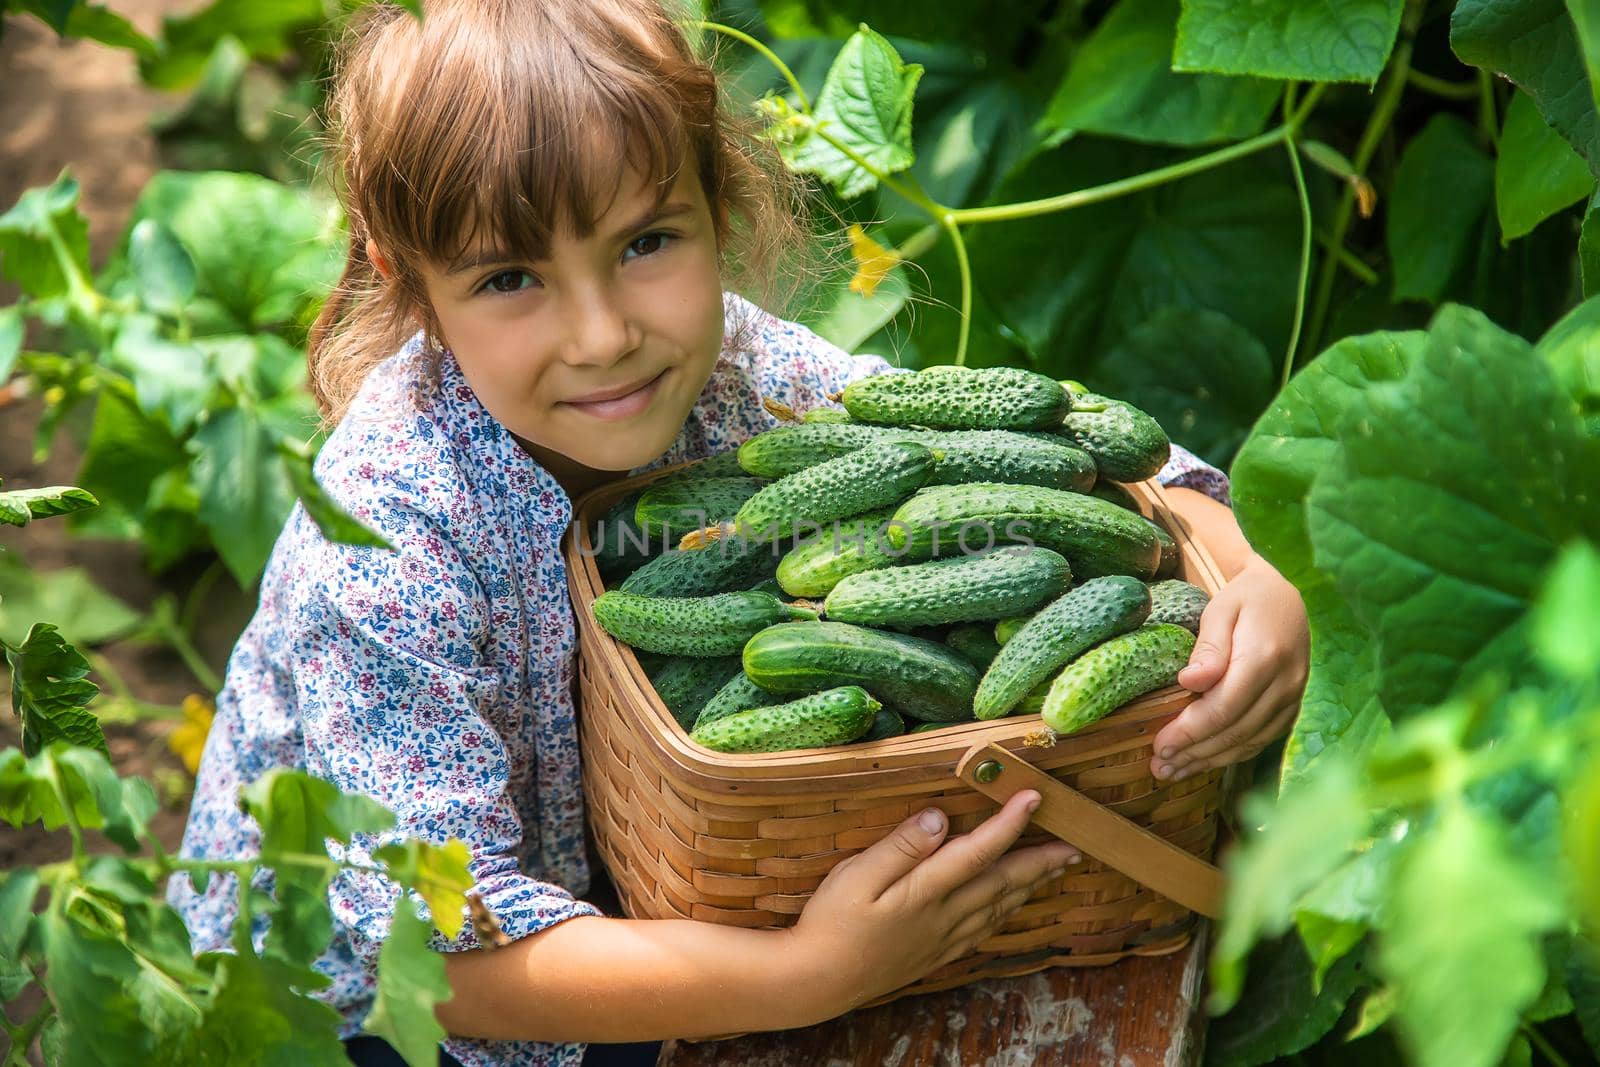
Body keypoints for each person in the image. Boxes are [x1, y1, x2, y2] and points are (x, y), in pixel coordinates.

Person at [164, 1, 1310, 1064]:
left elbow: (1022, 451)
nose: (605, 333)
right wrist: (797, 977)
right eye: (512, 276)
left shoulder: (743, 374)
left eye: (644, 243)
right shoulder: (384, 540)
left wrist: (1248, 566)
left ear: (717, 204)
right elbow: (439, 966)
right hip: (367, 1012)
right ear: (404, 275)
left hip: (644, 899)